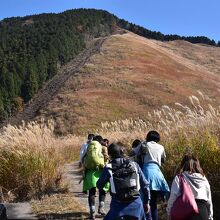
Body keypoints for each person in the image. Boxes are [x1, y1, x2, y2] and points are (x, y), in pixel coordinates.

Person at [97, 143, 151, 220]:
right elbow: (145, 185)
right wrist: (146, 202)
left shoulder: (109, 168)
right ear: (123, 152)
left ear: (110, 154)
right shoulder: (135, 165)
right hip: (136, 205)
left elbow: (99, 185)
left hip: (117, 206)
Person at [130, 130, 170, 220]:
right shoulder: (161, 147)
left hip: (146, 172)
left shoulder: (144, 144)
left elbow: (132, 153)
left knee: (145, 202)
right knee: (154, 203)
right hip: (157, 173)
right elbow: (163, 159)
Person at [166, 154, 213, 220]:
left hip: (185, 212)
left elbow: (173, 197)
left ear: (183, 164)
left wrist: (169, 212)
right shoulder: (204, 179)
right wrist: (210, 216)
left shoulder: (179, 178)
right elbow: (209, 200)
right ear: (197, 165)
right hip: (203, 212)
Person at [83, 135, 109, 219]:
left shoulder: (88, 146)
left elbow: (82, 158)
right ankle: (101, 208)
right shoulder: (103, 147)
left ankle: (92, 212)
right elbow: (106, 158)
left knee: (91, 192)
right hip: (101, 171)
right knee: (103, 190)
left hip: (90, 171)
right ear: (100, 141)